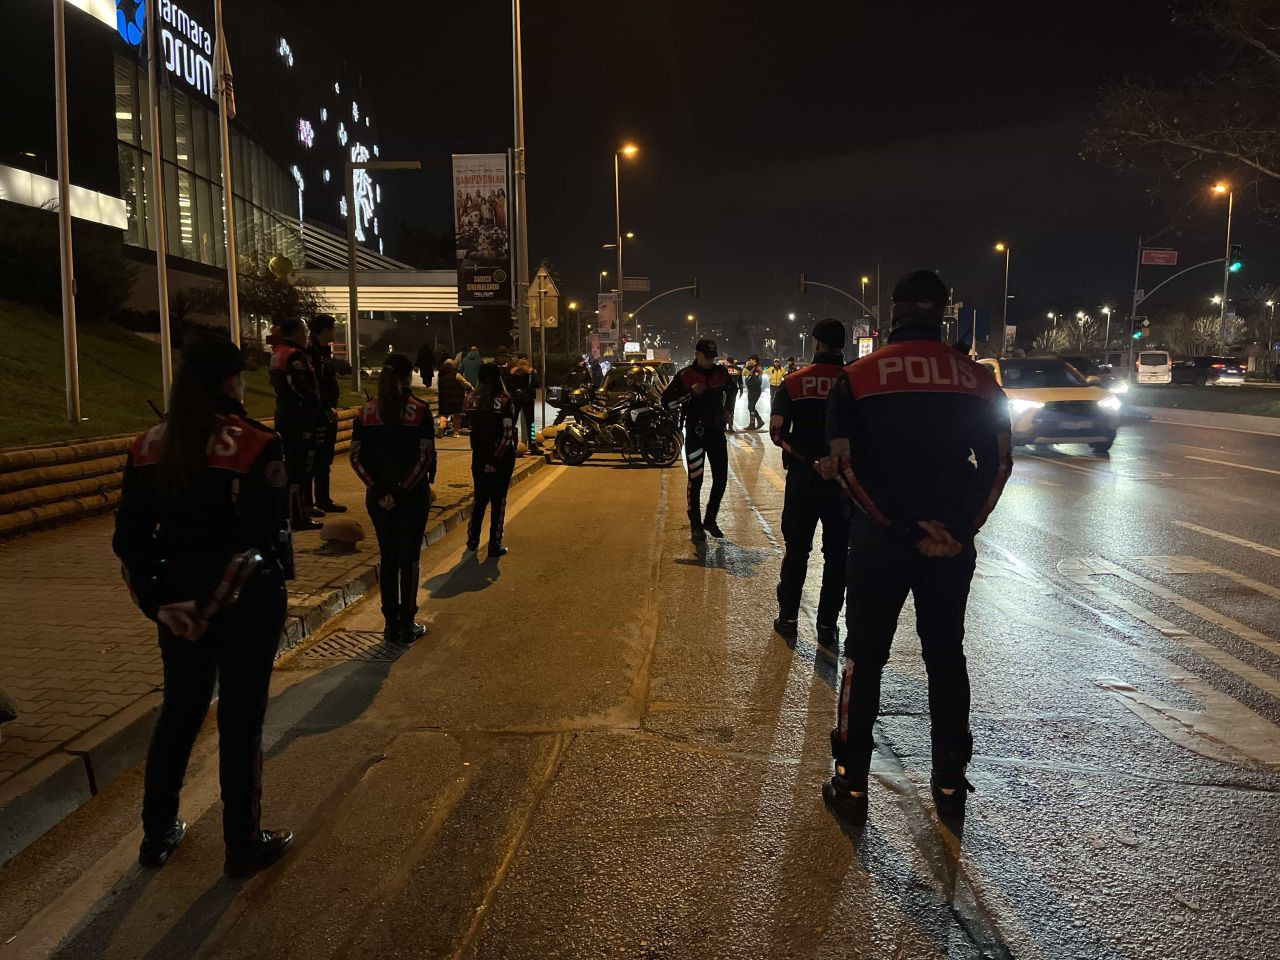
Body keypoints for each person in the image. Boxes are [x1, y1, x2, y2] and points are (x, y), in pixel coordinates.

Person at [822, 270, 1012, 821]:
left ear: (894, 313)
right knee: (946, 657)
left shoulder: (856, 378)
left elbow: (846, 466)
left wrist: (899, 528)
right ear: (944, 312)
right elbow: (998, 464)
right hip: (950, 547)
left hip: (880, 541)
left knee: (864, 657)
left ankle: (851, 782)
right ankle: (950, 783)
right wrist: (958, 531)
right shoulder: (979, 379)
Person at [113, 332, 294, 878]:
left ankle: (157, 833)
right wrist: (215, 606)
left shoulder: (149, 446)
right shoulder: (257, 444)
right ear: (230, 380)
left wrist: (164, 606)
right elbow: (265, 542)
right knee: (241, 724)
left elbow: (130, 542)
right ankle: (242, 842)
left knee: (180, 716)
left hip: (178, 609)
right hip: (244, 604)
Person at [770, 320, 848, 650]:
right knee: (837, 557)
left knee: (797, 550)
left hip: (803, 480)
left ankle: (788, 619)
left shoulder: (794, 382)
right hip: (843, 482)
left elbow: (777, 433)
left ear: (816, 343)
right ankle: (828, 625)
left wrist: (809, 462)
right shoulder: (853, 381)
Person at [350, 354, 436, 645]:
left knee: (388, 558)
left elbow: (355, 457)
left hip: (378, 500)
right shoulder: (419, 411)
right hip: (411, 497)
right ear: (408, 375)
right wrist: (401, 490)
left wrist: (378, 490)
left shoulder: (366, 412)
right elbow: (425, 457)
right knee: (409, 558)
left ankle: (390, 624)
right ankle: (407, 623)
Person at [662, 338, 733, 542]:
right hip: (695, 433)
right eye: (707, 357)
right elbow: (667, 403)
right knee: (696, 480)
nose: (710, 361)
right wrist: (690, 393)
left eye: (713, 357)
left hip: (716, 433)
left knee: (721, 478)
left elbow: (733, 389)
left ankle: (710, 519)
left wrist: (728, 409)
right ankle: (696, 525)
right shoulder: (685, 375)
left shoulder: (721, 373)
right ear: (697, 354)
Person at [269, 316, 324, 531]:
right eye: (303, 332)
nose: (306, 336)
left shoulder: (278, 354)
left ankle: (292, 513)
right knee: (298, 470)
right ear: (296, 333)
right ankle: (297, 516)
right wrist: (312, 408)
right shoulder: (294, 356)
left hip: (285, 417)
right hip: (299, 420)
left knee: (293, 467)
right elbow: (301, 387)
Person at [465, 363, 517, 558]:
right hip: (501, 458)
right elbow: (507, 434)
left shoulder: (470, 400)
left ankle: (472, 539)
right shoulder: (504, 401)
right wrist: (495, 459)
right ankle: (494, 544)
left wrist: (485, 458)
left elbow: (473, 429)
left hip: (478, 457)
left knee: (479, 499)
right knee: (498, 501)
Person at [305, 315, 346, 515]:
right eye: (331, 329)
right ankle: (308, 502)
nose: (334, 332)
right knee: (315, 458)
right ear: (322, 330)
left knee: (325, 458)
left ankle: (323, 498)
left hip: (329, 412)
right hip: (319, 414)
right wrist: (325, 407)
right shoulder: (310, 353)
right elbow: (314, 386)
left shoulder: (323, 353)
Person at [506, 352, 538, 451]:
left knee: (512, 422)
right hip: (528, 399)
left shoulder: (511, 372)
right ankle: (533, 446)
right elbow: (535, 385)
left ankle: (511, 444)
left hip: (515, 399)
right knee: (531, 423)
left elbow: (508, 384)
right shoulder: (530, 372)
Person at [437, 357, 470, 436]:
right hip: (456, 398)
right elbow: (463, 382)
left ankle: (441, 426)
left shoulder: (440, 374)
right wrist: (470, 386)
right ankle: (455, 432)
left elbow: (438, 385)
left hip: (444, 397)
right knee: (456, 415)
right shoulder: (456, 373)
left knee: (444, 414)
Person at [743, 355, 764, 429]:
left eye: (750, 360)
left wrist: (749, 381)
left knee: (751, 406)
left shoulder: (757, 368)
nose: (749, 361)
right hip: (752, 389)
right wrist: (747, 367)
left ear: (754, 360)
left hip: (755, 389)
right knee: (751, 407)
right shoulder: (754, 368)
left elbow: (756, 379)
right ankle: (756, 422)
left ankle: (756, 422)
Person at [723, 356, 743, 432]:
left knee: (724, 407)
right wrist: (741, 391)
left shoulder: (724, 369)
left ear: (727, 361)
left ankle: (724, 425)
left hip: (725, 390)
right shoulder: (737, 370)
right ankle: (730, 426)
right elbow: (740, 382)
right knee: (731, 407)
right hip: (733, 391)